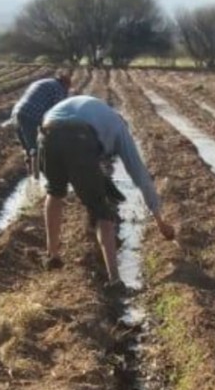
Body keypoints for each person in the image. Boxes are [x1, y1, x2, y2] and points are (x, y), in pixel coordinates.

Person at [39, 96, 175, 290]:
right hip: (79, 137)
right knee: (102, 210)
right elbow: (140, 175)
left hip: (47, 133)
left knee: (54, 191)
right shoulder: (120, 130)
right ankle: (115, 280)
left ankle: (52, 256)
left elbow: (53, 122)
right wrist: (160, 220)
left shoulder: (98, 113)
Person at [11, 70, 74, 177]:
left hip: (16, 113)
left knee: (27, 149)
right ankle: (37, 181)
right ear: (65, 84)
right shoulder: (58, 89)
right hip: (30, 117)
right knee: (36, 150)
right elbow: (58, 112)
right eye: (68, 88)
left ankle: (30, 176)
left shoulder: (43, 82)